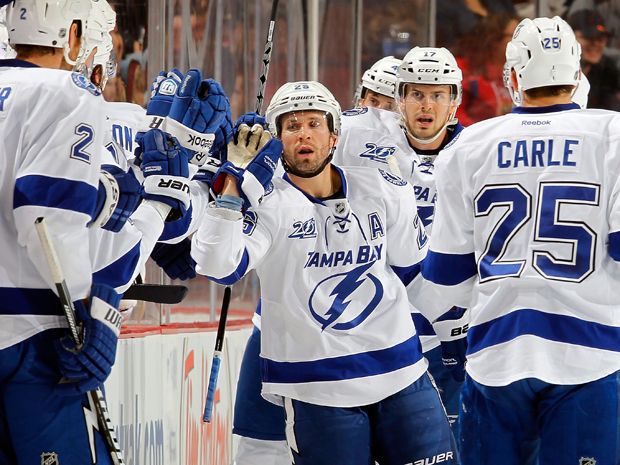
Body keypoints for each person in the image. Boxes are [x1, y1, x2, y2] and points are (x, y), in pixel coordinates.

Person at [192, 81, 459, 465]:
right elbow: (218, 266)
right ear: (276, 139)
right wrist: (233, 186)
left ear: (334, 135)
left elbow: (415, 273)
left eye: (315, 123)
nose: (304, 133)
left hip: (401, 374)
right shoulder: (267, 205)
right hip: (316, 389)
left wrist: (454, 329)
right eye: (292, 125)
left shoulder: (382, 187)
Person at [408, 16, 620, 465]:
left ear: (516, 76)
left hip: (496, 353)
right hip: (591, 357)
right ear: (577, 74)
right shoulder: (612, 134)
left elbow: (445, 276)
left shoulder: (469, 145)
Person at [0, 1, 117, 463]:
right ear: (71, 35)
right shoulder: (67, 92)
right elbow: (47, 213)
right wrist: (87, 310)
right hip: (32, 335)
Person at [334, 46, 467, 428]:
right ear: (400, 99)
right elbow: (298, 148)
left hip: (445, 321)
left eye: (438, 95)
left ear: (454, 101)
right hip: (370, 322)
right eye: (416, 94)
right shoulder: (356, 132)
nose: (426, 106)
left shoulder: (475, 151)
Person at [567, 8, 620, 110]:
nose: (595, 44)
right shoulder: (554, 69)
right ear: (570, 39)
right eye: (588, 37)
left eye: (600, 38)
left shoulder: (607, 68)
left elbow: (611, 109)